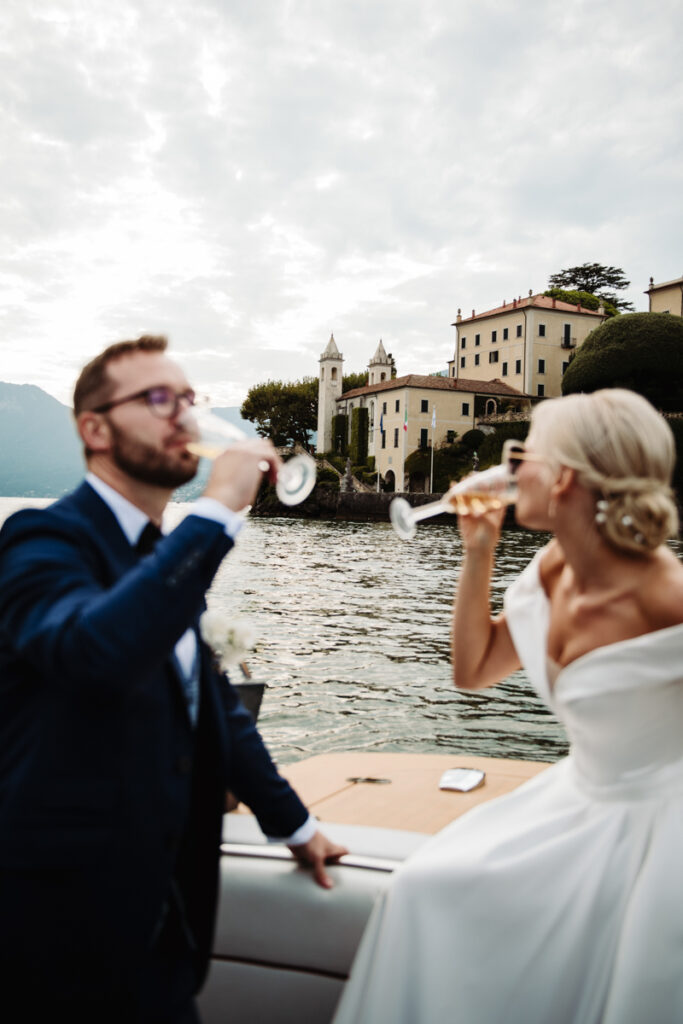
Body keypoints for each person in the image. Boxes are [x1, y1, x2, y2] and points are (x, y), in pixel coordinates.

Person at [0, 335, 346, 1024]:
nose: (183, 416)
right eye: (158, 399)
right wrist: (218, 512)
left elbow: (212, 706)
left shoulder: (166, 559)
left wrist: (295, 825)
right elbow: (96, 654)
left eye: (188, 399)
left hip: (161, 923)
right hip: (47, 935)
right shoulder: (41, 542)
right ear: (93, 429)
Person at [332, 388, 683, 1024]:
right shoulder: (554, 567)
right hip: (575, 800)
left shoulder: (669, 600)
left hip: (662, 833)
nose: (508, 468)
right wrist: (478, 551)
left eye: (523, 456)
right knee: (421, 889)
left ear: (566, 478)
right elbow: (473, 671)